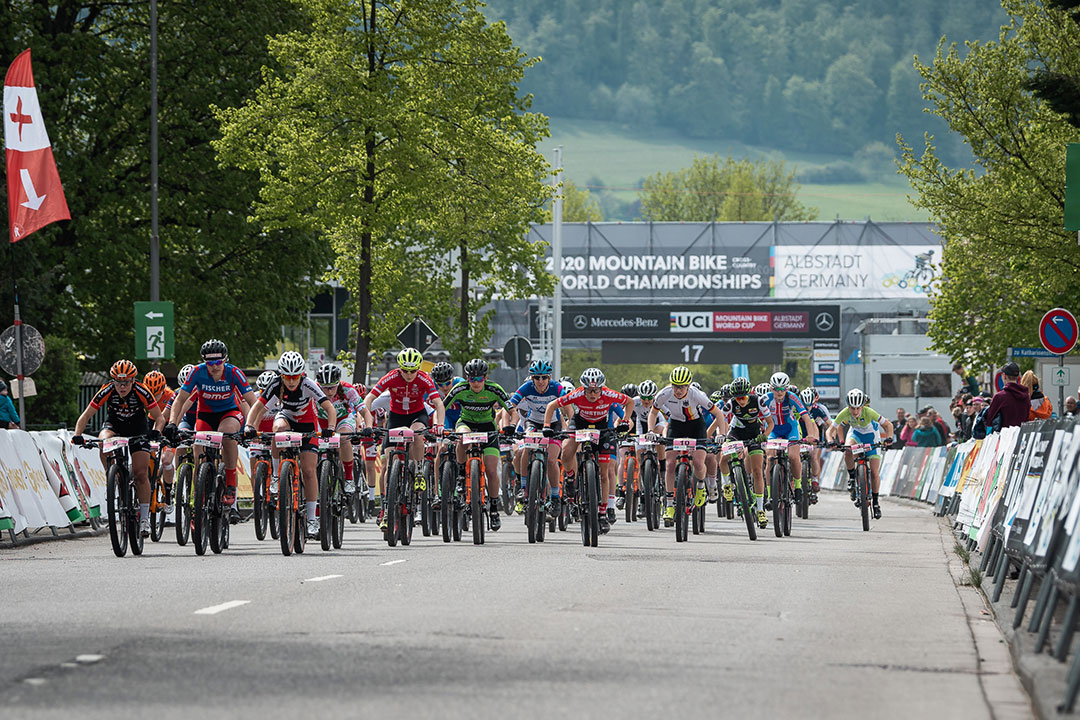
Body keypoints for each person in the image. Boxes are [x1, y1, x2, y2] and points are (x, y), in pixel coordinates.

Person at [245, 351, 337, 539]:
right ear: (282, 375)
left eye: (295, 376)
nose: (292, 381)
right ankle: (277, 474)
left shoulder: (308, 384)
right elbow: (258, 408)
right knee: (277, 429)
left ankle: (312, 518)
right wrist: (249, 426)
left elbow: (329, 408)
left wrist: (330, 427)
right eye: (287, 377)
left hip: (307, 423)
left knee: (309, 471)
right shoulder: (276, 384)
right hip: (286, 418)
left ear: (301, 374)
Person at [73, 360, 166, 537]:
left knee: (140, 474)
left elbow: (159, 418)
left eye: (126, 382)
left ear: (133, 381)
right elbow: (86, 415)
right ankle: (113, 476)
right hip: (114, 426)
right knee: (103, 442)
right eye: (118, 382)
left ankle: (145, 519)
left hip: (138, 429)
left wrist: (156, 432)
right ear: (112, 381)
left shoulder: (142, 391)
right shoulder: (107, 390)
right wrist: (77, 435)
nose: (122, 387)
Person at [363, 348, 446, 531]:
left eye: (413, 370)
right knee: (388, 462)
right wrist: (365, 420)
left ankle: (417, 471)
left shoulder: (424, 378)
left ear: (418, 368)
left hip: (417, 415)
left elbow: (439, 403)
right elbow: (369, 398)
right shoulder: (391, 376)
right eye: (405, 371)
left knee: (418, 433)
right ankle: (385, 509)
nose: (409, 375)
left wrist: (439, 424)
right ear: (399, 368)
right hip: (396, 417)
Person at [542, 367, 633, 534]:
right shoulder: (577, 394)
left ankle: (603, 514)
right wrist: (547, 426)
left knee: (604, 473)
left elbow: (629, 402)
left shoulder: (609, 394)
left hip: (602, 426)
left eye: (596, 391)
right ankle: (570, 478)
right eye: (589, 391)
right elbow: (551, 405)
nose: (592, 394)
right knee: (567, 451)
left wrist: (625, 422)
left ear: (601, 388)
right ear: (583, 388)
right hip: (580, 422)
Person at [442, 358, 517, 533]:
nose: (475, 383)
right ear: (466, 379)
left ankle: (493, 509)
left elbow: (512, 411)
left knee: (491, 470)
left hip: (488, 428)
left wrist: (510, 426)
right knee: (462, 435)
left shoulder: (494, 389)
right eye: (472, 379)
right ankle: (461, 474)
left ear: (485, 378)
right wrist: (438, 426)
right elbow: (441, 407)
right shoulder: (459, 389)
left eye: (479, 379)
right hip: (466, 422)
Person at [647, 366, 726, 527]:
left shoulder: (697, 395)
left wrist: (722, 435)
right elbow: (653, 413)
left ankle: (701, 486)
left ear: (688, 386)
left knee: (698, 462)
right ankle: (669, 505)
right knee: (669, 464)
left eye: (682, 386)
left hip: (696, 426)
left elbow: (719, 414)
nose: (678, 390)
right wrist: (650, 430)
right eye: (675, 386)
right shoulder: (664, 393)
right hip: (676, 426)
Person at [507, 359, 566, 516]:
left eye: (544, 377)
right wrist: (511, 424)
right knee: (527, 447)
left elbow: (568, 407)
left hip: (554, 424)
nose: (540, 381)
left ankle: (555, 497)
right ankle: (524, 486)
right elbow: (510, 405)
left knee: (552, 460)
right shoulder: (526, 387)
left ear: (549, 377)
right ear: (531, 378)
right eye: (536, 377)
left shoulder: (557, 387)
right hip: (533, 422)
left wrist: (571, 425)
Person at [827, 388, 894, 520]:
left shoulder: (869, 412)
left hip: (871, 437)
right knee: (848, 450)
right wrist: (830, 440)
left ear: (863, 406)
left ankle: (875, 503)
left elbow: (888, 425)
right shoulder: (845, 413)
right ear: (848, 407)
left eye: (858, 408)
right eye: (852, 408)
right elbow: (830, 430)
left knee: (874, 472)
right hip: (856, 435)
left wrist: (889, 437)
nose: (855, 411)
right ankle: (852, 477)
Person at [720, 377, 774, 528]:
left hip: (754, 433)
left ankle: (760, 509)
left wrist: (765, 435)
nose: (741, 401)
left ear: (749, 394)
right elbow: (721, 419)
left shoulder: (758, 402)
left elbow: (771, 423)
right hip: (736, 432)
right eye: (738, 398)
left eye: (743, 397)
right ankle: (726, 486)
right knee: (723, 459)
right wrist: (722, 434)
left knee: (757, 471)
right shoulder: (731, 404)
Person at [762, 372, 819, 504]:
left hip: (790, 429)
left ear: (787, 389)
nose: (780, 392)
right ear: (771, 388)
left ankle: (798, 487)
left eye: (783, 389)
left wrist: (810, 435)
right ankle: (770, 495)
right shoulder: (765, 398)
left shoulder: (792, 397)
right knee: (770, 458)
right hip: (773, 430)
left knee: (794, 457)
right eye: (776, 389)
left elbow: (805, 417)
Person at [985, 362, 1030, 431]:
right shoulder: (1026, 396)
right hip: (1021, 437)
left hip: (1005, 438)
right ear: (1018, 377)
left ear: (1004, 376)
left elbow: (989, 421)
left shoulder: (999, 397)